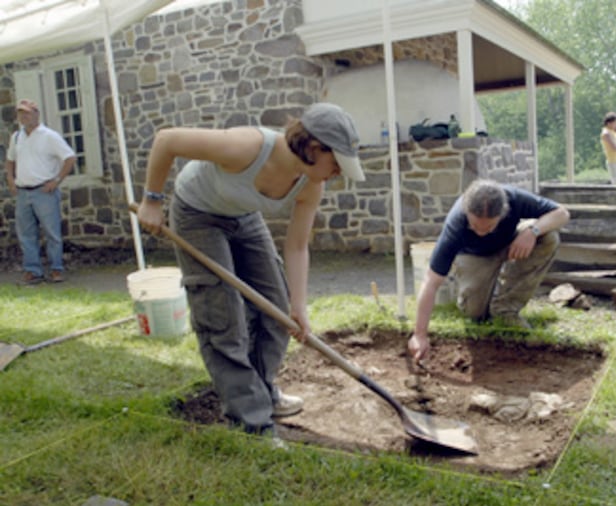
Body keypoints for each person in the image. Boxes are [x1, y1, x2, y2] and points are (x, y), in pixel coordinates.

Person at [136, 102, 365, 438]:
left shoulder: (311, 184)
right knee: (222, 317)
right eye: (336, 163)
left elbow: (298, 245)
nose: (338, 172)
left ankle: (260, 391)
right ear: (314, 149)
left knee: (276, 309)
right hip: (197, 213)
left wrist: (297, 306)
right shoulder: (246, 146)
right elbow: (167, 140)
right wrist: (151, 201)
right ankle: (251, 421)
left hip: (243, 216)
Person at [408, 179, 570, 362]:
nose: (482, 233)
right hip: (475, 256)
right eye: (476, 227)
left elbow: (562, 213)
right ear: (467, 213)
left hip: (510, 244)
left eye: (489, 227)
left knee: (548, 237)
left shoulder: (513, 199)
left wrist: (532, 231)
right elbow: (431, 282)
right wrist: (420, 335)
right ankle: (472, 291)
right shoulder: (456, 224)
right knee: (475, 313)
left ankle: (506, 308)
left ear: (503, 213)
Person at [5, 99, 76, 285]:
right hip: (23, 191)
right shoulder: (17, 137)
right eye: (20, 113)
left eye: (26, 113)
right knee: (26, 234)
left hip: (44, 190)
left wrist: (57, 180)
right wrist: (11, 180)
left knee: (52, 232)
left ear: (36, 114)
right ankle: (32, 270)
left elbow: (69, 158)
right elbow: (10, 160)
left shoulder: (49, 136)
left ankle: (56, 269)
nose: (23, 117)